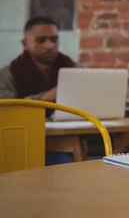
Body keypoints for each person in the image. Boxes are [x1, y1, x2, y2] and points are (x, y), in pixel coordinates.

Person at [0, 16, 76, 165]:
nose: (49, 45)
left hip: (66, 140)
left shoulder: (73, 69)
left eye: (54, 39)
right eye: (41, 40)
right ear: (24, 43)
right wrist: (47, 97)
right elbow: (8, 110)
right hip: (19, 144)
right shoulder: (7, 75)